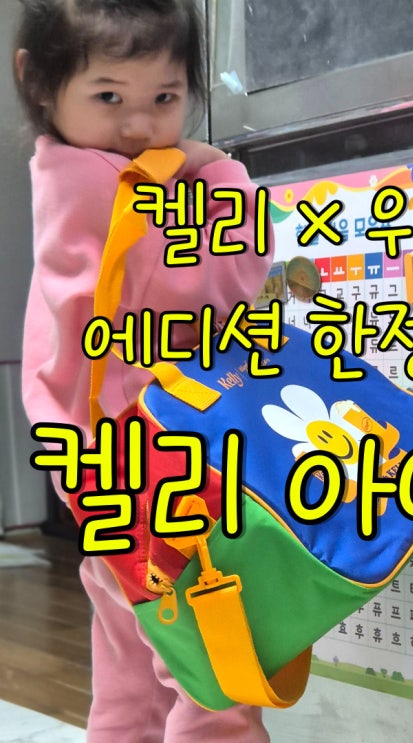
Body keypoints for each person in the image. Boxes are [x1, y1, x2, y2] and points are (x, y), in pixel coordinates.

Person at [14, 1, 273, 740]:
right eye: (109, 96)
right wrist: (218, 170)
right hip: (155, 461)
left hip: (99, 462)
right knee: (209, 658)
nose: (137, 125)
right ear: (39, 84)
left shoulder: (68, 176)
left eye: (164, 97)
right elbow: (225, 285)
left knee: (130, 651)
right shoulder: (113, 189)